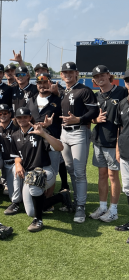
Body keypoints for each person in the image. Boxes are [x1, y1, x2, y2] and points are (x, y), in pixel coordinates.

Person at [11, 107, 71, 232]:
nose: (22, 119)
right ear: (16, 119)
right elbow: (16, 156)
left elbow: (60, 147)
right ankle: (62, 197)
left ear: (30, 118)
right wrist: (17, 164)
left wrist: (43, 133)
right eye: (19, 117)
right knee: (31, 211)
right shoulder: (15, 135)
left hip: (45, 170)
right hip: (29, 174)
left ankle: (38, 220)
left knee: (34, 185)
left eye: (25, 117)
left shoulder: (39, 131)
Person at [59, 62, 99, 223]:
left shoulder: (84, 89)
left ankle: (81, 206)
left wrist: (80, 119)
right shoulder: (63, 91)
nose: (67, 74)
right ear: (61, 75)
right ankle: (76, 202)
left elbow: (94, 110)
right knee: (70, 170)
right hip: (64, 134)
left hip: (79, 132)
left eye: (70, 72)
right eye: (64, 72)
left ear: (77, 73)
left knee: (80, 172)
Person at [89, 65, 127, 222]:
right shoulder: (95, 96)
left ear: (109, 75)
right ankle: (103, 207)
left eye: (103, 75)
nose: (100, 78)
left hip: (114, 141)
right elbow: (90, 117)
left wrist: (119, 145)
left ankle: (114, 209)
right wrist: (94, 120)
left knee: (113, 176)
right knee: (102, 175)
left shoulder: (121, 92)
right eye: (97, 76)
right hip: (99, 140)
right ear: (94, 80)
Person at [26, 73, 62, 195]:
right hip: (34, 142)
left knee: (51, 171)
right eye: (39, 83)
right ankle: (38, 196)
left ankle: (49, 200)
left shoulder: (58, 100)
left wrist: (51, 124)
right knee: (36, 169)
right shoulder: (31, 100)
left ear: (49, 83)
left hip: (51, 140)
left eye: (44, 82)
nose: (42, 85)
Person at [0, 104, 20, 214]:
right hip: (4, 163)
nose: (2, 115)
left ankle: (16, 204)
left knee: (17, 176)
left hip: (16, 161)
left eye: (5, 113)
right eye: (0, 113)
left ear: (10, 114)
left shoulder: (16, 126)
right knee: (11, 194)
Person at [115, 70, 129, 243]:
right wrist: (118, 149)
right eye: (128, 81)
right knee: (128, 189)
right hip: (125, 152)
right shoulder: (123, 103)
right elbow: (120, 129)